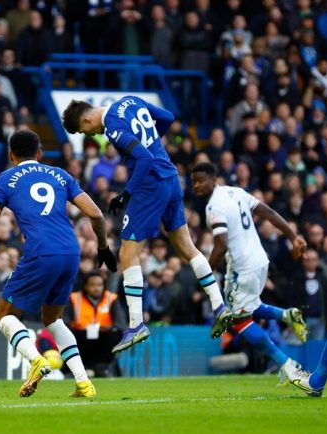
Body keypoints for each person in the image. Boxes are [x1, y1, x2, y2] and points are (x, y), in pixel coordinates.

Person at [62, 98, 232, 353]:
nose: (93, 134)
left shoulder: (112, 127)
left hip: (150, 185)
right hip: (172, 178)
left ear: (86, 120)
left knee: (127, 255)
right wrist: (152, 143)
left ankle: (136, 324)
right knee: (188, 248)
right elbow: (167, 117)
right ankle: (219, 305)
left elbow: (143, 158)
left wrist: (126, 194)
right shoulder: (131, 101)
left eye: (86, 131)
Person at [0, 130, 117, 398]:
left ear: (11, 155)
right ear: (40, 153)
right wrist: (102, 247)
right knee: (53, 318)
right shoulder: (61, 175)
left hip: (41, 253)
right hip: (70, 253)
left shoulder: (6, 179)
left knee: (3, 315)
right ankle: (83, 383)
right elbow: (97, 214)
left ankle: (36, 360)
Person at [191, 162, 308, 381]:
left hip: (242, 268)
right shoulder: (236, 192)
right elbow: (270, 212)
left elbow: (221, 245)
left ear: (214, 179)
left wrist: (206, 274)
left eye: (200, 180)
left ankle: (286, 364)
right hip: (260, 261)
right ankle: (287, 315)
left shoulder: (213, 207)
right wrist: (293, 236)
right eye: (193, 182)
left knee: (239, 320)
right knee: (250, 307)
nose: (196, 185)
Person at [65, 271, 126, 377]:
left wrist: (110, 327)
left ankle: (102, 367)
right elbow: (65, 321)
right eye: (92, 285)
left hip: (104, 336)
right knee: (68, 335)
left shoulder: (111, 298)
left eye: (99, 285)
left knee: (115, 334)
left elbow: (120, 323)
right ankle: (77, 367)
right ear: (85, 286)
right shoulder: (74, 298)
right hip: (80, 336)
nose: (96, 288)